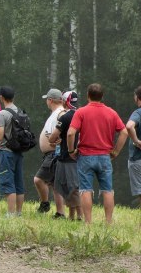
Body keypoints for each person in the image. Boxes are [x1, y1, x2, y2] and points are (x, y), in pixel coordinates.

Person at [67, 83, 127, 225]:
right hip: (105, 156)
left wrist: (71, 150)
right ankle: (108, 222)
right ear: (102, 96)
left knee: (86, 189)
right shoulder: (111, 112)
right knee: (107, 190)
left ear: (88, 95)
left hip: (85, 156)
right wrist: (116, 151)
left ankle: (88, 223)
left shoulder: (81, 112)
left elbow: (70, 133)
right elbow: (124, 132)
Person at [0, 86, 26, 217]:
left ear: (1, 97)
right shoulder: (20, 111)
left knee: (8, 181)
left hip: (6, 151)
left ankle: (10, 213)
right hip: (18, 151)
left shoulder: (2, 114)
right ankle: (18, 213)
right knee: (19, 182)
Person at [48, 91, 81, 220]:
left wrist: (54, 139)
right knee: (72, 187)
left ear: (65, 101)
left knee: (71, 187)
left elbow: (52, 137)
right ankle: (72, 216)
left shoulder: (65, 117)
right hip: (78, 155)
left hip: (67, 156)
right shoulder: (81, 114)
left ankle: (79, 216)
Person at [34, 89, 67, 215]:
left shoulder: (58, 114)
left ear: (50, 100)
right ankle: (60, 212)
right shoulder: (57, 113)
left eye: (47, 100)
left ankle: (45, 204)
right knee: (55, 185)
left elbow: (56, 136)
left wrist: (55, 143)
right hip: (52, 154)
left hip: (53, 154)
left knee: (38, 179)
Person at [128, 86, 141, 207]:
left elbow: (129, 126)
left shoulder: (138, 112)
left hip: (137, 158)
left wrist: (136, 141)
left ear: (137, 98)